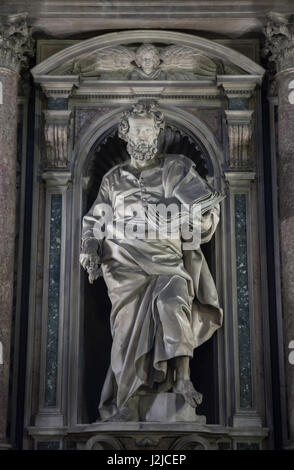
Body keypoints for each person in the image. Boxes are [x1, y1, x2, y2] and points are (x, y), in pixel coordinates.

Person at [80, 102, 224, 421]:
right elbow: (95, 219)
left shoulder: (178, 168)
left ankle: (183, 382)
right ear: (125, 133)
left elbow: (203, 212)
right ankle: (128, 398)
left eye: (149, 129)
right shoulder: (113, 179)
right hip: (122, 263)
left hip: (168, 257)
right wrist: (90, 245)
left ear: (158, 132)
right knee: (127, 325)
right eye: (138, 129)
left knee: (173, 303)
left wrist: (195, 218)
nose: (144, 135)